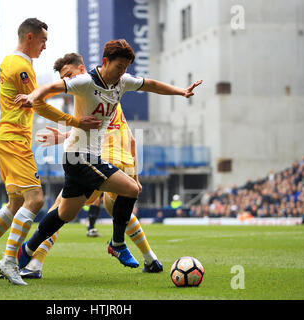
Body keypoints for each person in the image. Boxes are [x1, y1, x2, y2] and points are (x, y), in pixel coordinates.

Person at [15, 39, 202, 274]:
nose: (122, 72)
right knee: (132, 189)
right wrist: (32, 97)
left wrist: (180, 91)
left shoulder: (122, 82)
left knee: (64, 213)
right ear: (105, 62)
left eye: (125, 67)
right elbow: (50, 88)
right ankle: (118, 244)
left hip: (83, 158)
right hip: (81, 156)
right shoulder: (85, 82)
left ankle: (28, 249)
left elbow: (151, 84)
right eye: (119, 66)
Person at [0, 18, 101, 285]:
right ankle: (9, 260)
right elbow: (39, 105)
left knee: (16, 204)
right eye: (43, 41)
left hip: (7, 138)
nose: (45, 46)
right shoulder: (21, 66)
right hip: (15, 139)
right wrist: (76, 121)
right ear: (29, 37)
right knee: (36, 200)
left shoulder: (7, 62)